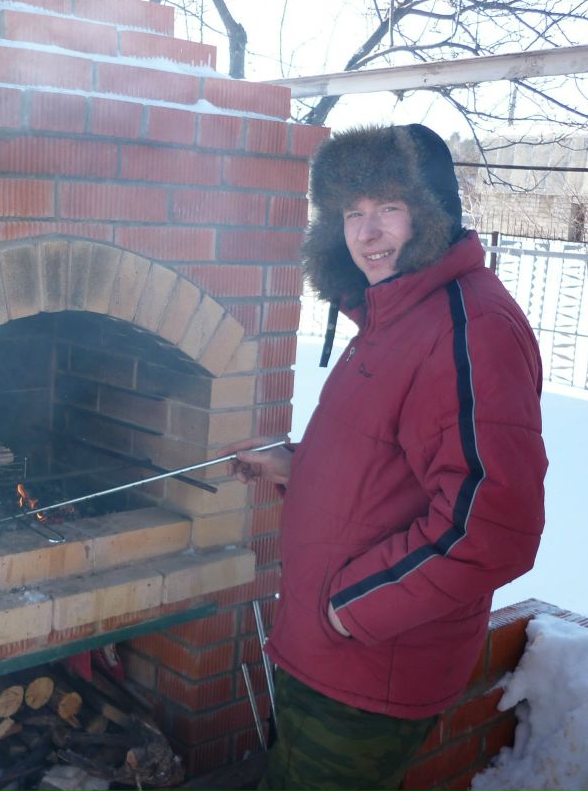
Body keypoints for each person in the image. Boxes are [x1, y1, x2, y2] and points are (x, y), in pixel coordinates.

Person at [222, 124, 548, 791]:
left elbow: (491, 529)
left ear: (434, 214)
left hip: (367, 670)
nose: (367, 234)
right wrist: (299, 467)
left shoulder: (470, 329)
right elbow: (393, 459)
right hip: (324, 654)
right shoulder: (394, 315)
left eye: (388, 209)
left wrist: (347, 611)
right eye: (352, 214)